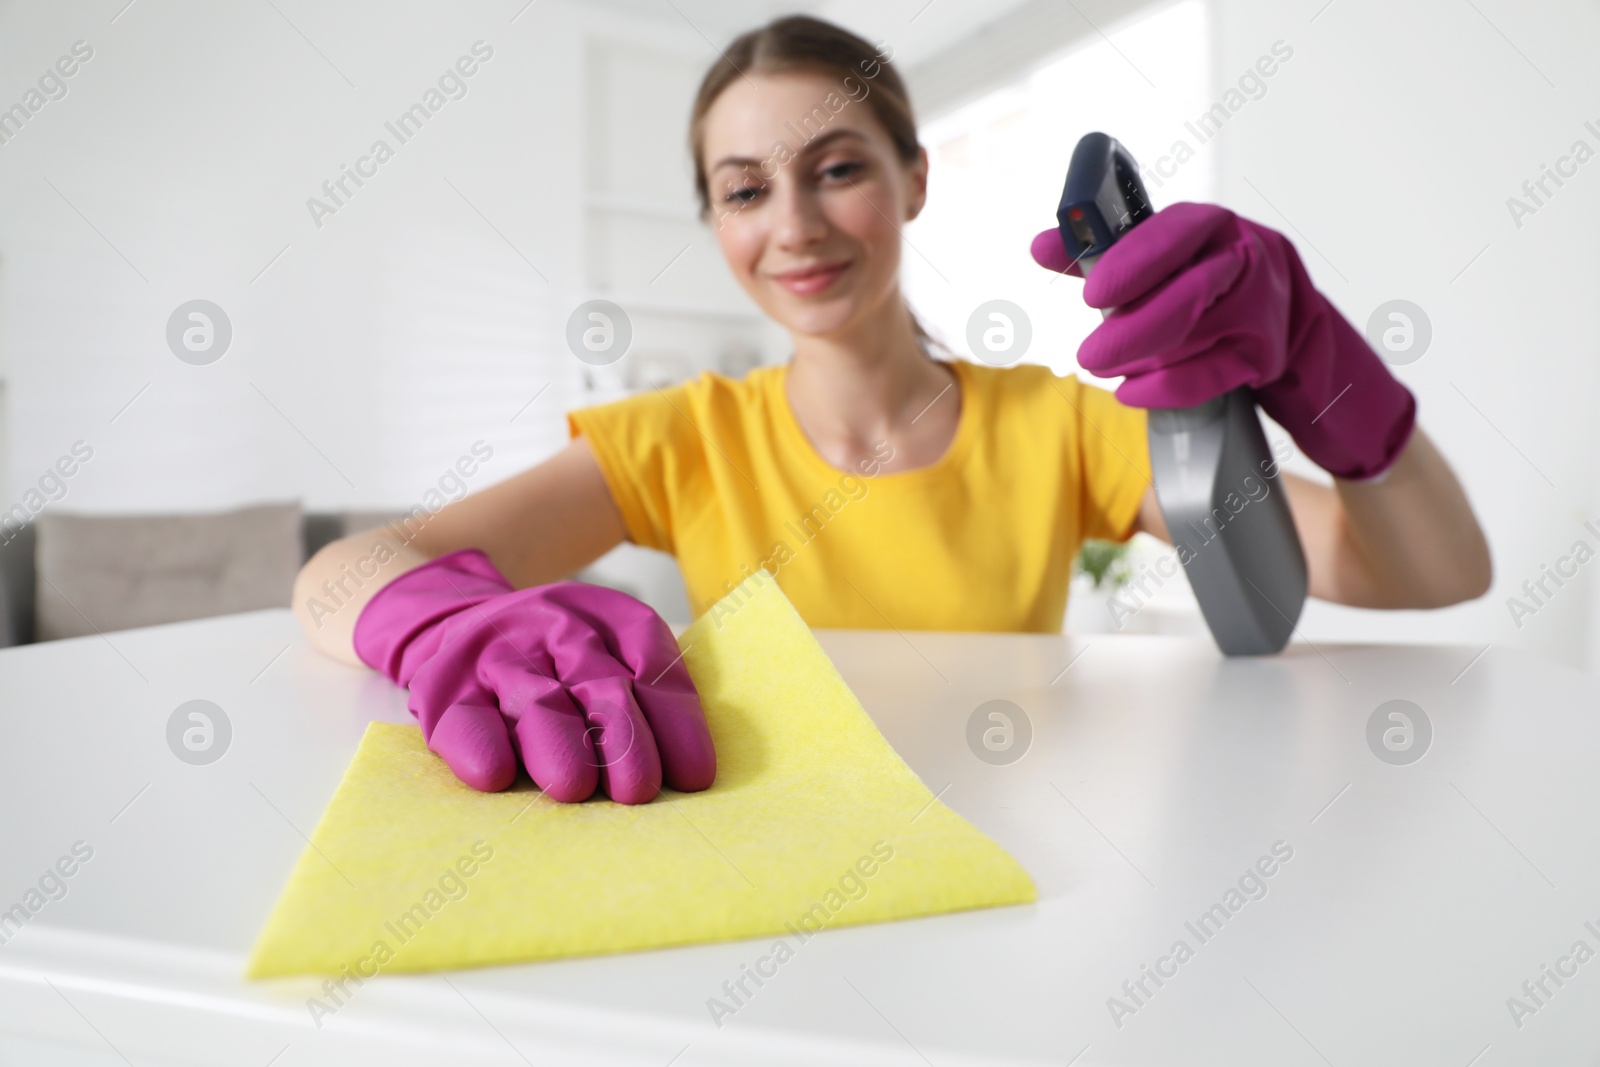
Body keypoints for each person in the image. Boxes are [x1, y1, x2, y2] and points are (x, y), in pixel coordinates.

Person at [292, 15, 1491, 804]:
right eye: (745, 189)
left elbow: (1428, 572)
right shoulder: (677, 439)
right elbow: (345, 568)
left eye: (838, 168)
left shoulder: (1060, 429)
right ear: (715, 223)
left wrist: (1324, 374)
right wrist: (433, 622)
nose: (796, 227)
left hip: (1007, 857)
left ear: (913, 178)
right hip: (755, 851)